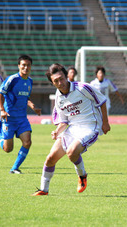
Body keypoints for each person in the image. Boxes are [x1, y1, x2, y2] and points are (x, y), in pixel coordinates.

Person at [32, 63, 110, 196]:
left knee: (72, 152)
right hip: (73, 129)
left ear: (66, 76)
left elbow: (102, 101)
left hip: (90, 127)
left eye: (61, 78)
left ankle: (82, 176)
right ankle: (43, 190)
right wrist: (57, 131)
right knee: (50, 158)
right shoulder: (58, 97)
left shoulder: (83, 88)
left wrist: (106, 123)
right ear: (52, 82)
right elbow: (63, 121)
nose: (60, 82)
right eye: (56, 81)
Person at [0, 54, 41, 174]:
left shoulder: (30, 81)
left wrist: (33, 107)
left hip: (22, 119)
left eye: (28, 65)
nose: (26, 68)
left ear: (31, 67)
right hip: (9, 118)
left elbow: (26, 98)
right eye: (23, 65)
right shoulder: (12, 79)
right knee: (7, 149)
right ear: (19, 66)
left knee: (27, 142)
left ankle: (14, 168)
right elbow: (0, 93)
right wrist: (2, 110)